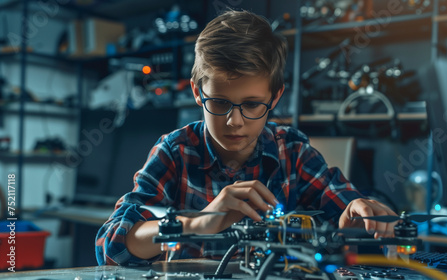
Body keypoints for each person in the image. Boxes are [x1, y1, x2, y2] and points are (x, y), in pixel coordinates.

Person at [95, 10, 396, 266]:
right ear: (198, 92)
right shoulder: (174, 152)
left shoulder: (291, 151)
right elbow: (110, 245)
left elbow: (347, 206)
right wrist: (199, 223)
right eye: (220, 102)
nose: (234, 121)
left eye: (252, 104)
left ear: (275, 97)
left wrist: (361, 213)